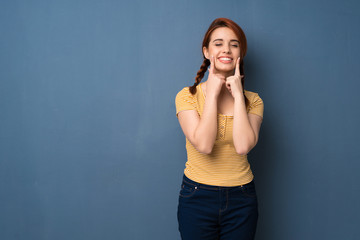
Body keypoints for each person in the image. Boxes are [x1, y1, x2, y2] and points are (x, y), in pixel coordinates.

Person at [175, 18, 264, 240]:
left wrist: (236, 96)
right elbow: (204, 145)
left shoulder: (253, 101)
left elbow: (243, 146)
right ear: (206, 51)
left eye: (234, 44)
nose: (226, 49)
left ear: (240, 53)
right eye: (218, 43)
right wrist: (213, 93)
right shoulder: (187, 96)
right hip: (196, 196)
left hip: (241, 198)